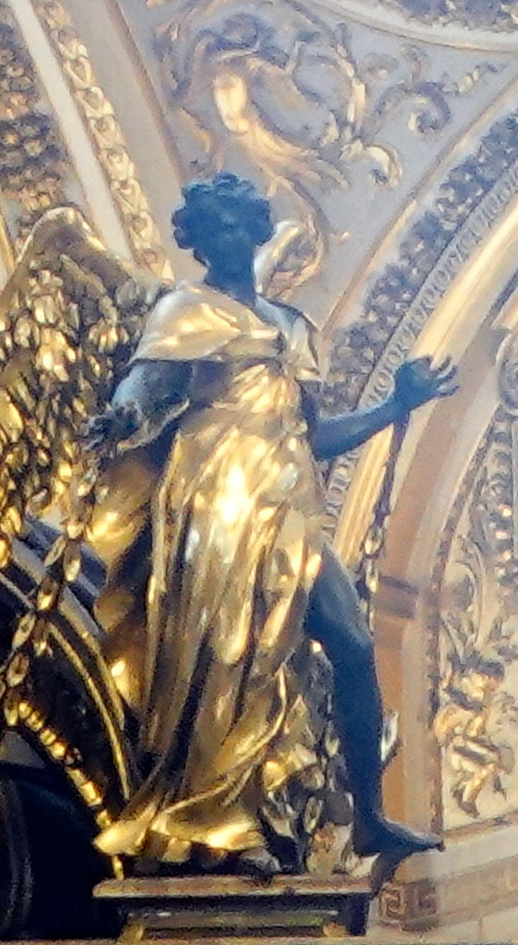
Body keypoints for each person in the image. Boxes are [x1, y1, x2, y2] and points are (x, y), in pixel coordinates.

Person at [84, 172, 453, 872]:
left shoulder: (290, 328)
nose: (227, 237)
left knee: (349, 639)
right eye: (213, 227)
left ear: (256, 231)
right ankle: (216, 820)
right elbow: (146, 383)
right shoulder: (184, 310)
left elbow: (314, 434)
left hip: (287, 499)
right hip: (215, 495)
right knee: (224, 650)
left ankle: (369, 818)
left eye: (237, 224)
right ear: (197, 241)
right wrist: (124, 414)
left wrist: (396, 406)